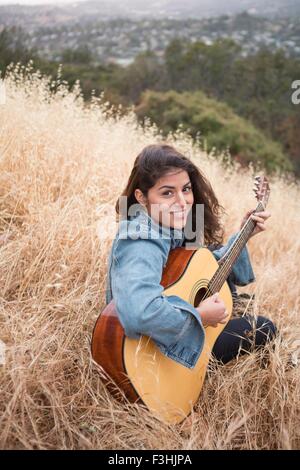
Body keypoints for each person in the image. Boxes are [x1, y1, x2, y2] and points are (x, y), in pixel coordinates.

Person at [105, 143, 276, 368]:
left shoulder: (172, 225)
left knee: (211, 254)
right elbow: (140, 313)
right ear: (142, 197)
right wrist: (201, 316)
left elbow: (201, 270)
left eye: (186, 189)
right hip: (156, 357)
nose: (183, 201)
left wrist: (245, 233)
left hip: (168, 340)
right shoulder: (142, 239)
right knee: (264, 328)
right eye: (167, 192)